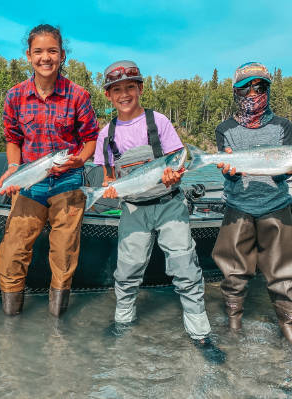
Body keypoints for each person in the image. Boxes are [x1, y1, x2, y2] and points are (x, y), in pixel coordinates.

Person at [93, 60, 224, 362]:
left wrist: (174, 175)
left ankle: (200, 334)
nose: (124, 94)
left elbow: (177, 163)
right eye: (116, 90)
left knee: (186, 270)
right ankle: (123, 323)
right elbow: (109, 179)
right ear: (108, 96)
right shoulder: (106, 134)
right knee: (127, 271)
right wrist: (110, 188)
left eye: (129, 87)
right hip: (133, 210)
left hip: (169, 206)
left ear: (139, 88)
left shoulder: (159, 122)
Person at [0, 24, 99, 317]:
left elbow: (90, 139)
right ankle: (10, 324)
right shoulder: (15, 96)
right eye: (39, 51)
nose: (46, 57)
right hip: (30, 183)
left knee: (64, 255)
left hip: (68, 182)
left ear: (62, 55)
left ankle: (57, 326)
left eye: (52, 51)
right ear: (28, 56)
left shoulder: (78, 95)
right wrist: (14, 167)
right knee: (13, 252)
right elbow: (13, 139)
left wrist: (80, 159)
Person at [212, 62, 292, 348]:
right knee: (233, 271)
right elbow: (225, 169)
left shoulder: (282, 126)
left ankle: (290, 327)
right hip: (237, 205)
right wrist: (226, 168)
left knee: (283, 273)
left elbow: (280, 170)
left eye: (260, 86)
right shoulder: (224, 129)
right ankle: (233, 323)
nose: (253, 93)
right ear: (236, 91)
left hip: (275, 205)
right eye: (246, 87)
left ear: (268, 89)